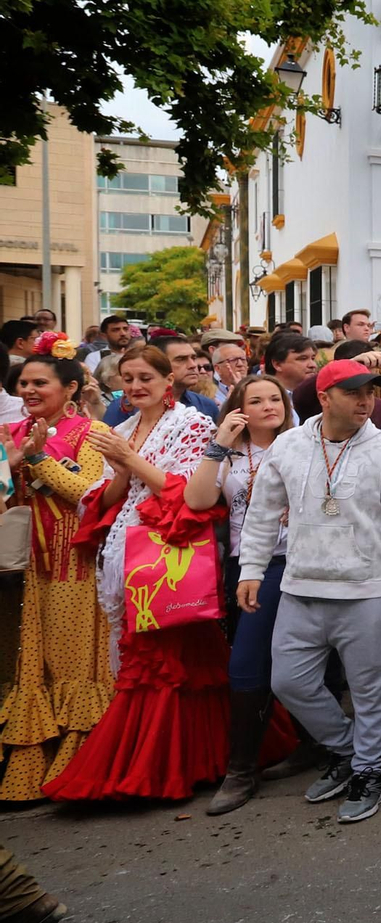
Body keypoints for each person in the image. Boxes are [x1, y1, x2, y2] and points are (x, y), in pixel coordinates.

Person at [238, 359, 381, 823]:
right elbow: (262, 514)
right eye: (355, 392)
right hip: (303, 588)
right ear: (324, 397)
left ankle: (367, 770)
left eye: (372, 392)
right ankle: (348, 750)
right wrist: (251, 569)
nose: (367, 401)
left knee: (370, 692)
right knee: (288, 681)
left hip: (369, 592)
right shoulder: (288, 446)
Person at [43, 345, 231, 801]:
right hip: (124, 553)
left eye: (145, 376)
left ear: (169, 381)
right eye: (127, 378)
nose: (135, 386)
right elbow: (104, 501)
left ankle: (162, 766)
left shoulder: (193, 423)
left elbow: (188, 492)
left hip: (169, 555)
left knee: (166, 660)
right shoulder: (121, 428)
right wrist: (122, 470)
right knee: (149, 658)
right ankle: (187, 759)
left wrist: (128, 461)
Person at [0, 347, 115, 801]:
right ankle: (34, 770)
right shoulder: (12, 432)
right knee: (36, 666)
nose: (28, 391)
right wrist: (14, 462)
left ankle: (79, 768)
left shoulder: (92, 431)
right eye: (23, 384)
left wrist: (37, 459)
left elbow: (86, 494)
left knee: (72, 665)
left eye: (39, 383)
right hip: (29, 569)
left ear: (70, 389)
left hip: (77, 566)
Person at [184, 374, 295, 814]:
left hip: (293, 561)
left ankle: (242, 769)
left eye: (276, 398)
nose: (270, 405)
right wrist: (218, 442)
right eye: (257, 400)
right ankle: (250, 764)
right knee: (252, 661)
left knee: (260, 660)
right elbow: (196, 500)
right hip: (244, 567)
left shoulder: (303, 443)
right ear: (238, 409)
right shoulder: (229, 452)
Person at [102, 336, 221, 425]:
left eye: (193, 358)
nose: (193, 365)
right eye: (181, 359)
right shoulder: (123, 408)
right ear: (158, 362)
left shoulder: (206, 406)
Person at [211, 340, 250, 406]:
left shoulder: (258, 388)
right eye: (233, 360)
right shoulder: (211, 396)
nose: (240, 364)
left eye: (243, 359)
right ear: (218, 368)